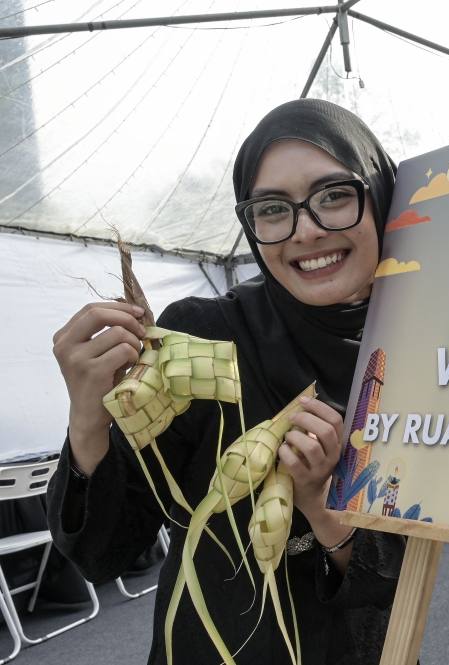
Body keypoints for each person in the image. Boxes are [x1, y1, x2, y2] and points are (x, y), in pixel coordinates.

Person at [49, 99, 405, 665]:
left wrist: (322, 509)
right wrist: (88, 418)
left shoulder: (425, 358)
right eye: (273, 208)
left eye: (334, 195)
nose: (306, 230)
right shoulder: (205, 336)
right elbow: (104, 552)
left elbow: (399, 582)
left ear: (381, 197)